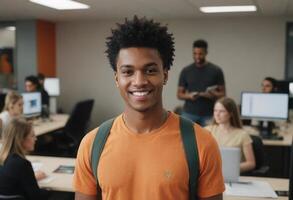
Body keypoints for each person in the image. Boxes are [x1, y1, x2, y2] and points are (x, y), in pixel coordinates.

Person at [73, 16, 224, 200]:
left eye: (150, 70)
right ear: (116, 79)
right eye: (128, 72)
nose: (139, 82)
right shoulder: (92, 144)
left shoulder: (202, 143)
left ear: (165, 75)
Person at [177, 39, 226, 126]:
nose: (197, 57)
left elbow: (223, 94)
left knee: (207, 138)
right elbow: (179, 94)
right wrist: (189, 96)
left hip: (209, 114)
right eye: (195, 53)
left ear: (206, 53)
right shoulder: (186, 71)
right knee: (185, 137)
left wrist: (212, 94)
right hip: (189, 113)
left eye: (200, 54)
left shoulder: (216, 70)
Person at [0, 117, 49, 199]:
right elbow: (37, 196)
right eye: (32, 135)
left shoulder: (3, 158)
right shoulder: (22, 164)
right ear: (21, 139)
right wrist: (48, 191)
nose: (36, 139)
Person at [205, 97, 256, 173]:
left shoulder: (242, 135)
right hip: (210, 175)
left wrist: (230, 169)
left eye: (222, 111)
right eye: (215, 111)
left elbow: (251, 163)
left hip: (232, 176)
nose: (217, 114)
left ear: (231, 114)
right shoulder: (206, 131)